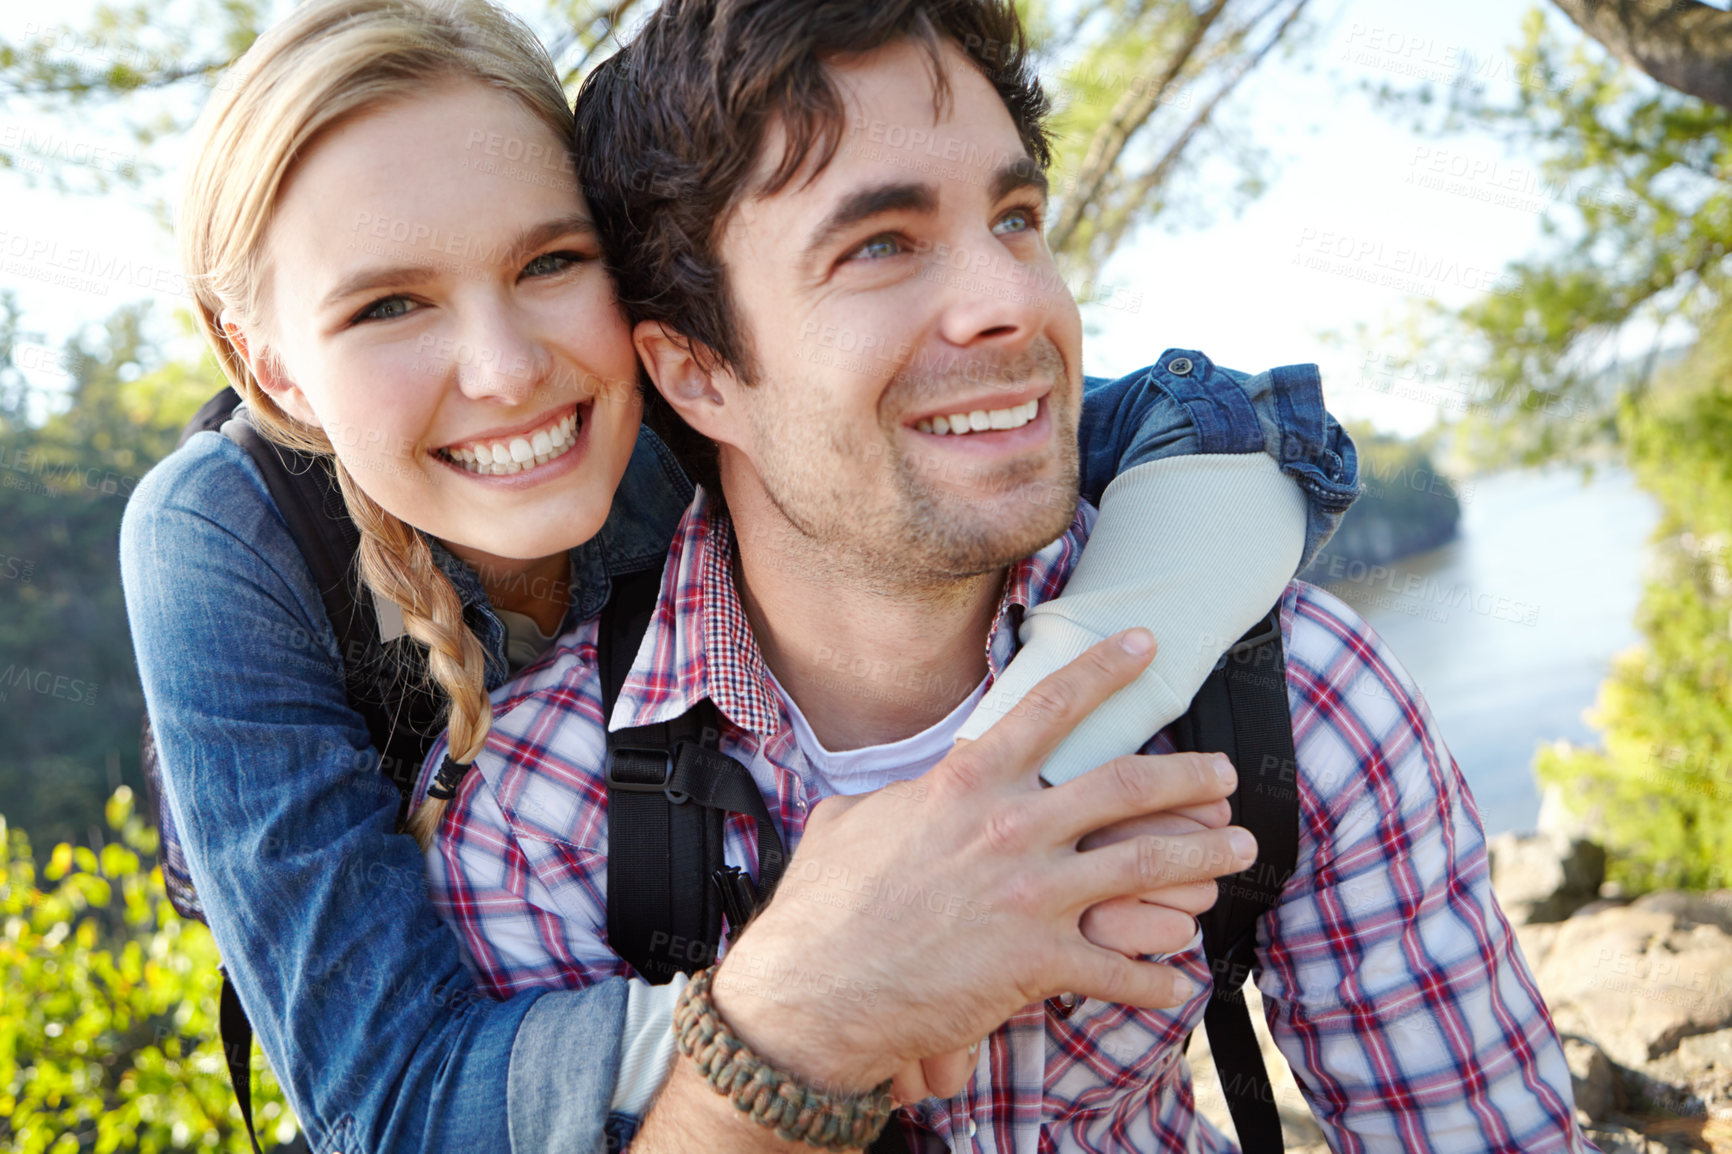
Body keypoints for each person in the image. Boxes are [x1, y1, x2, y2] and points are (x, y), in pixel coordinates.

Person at [116, 0, 1360, 1149]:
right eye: (390, 303)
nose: (506, 370)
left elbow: (1179, 426)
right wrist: (811, 984)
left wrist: (1048, 749)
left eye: (551, 263)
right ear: (264, 358)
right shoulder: (225, 540)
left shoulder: (689, 406)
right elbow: (388, 1097)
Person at [421, 2, 1596, 1151]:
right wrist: (804, 1031)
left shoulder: (1286, 691)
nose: (1017, 302)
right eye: (880, 244)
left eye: (1017, 216)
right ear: (697, 370)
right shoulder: (545, 818)